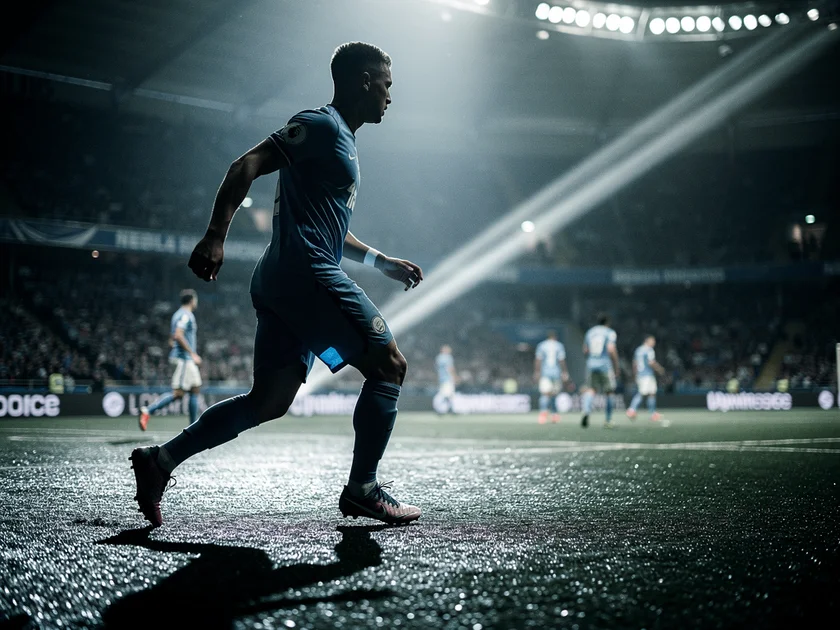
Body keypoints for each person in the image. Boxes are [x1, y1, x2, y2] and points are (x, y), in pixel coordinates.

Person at [130, 42, 424, 528]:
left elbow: (331, 227)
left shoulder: (343, 141)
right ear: (365, 81)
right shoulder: (323, 125)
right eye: (387, 85)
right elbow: (245, 164)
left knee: (268, 401)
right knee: (389, 366)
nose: (391, 97)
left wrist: (379, 259)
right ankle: (363, 489)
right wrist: (214, 236)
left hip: (283, 280)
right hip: (306, 274)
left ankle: (159, 461)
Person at [138, 289, 202, 431]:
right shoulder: (186, 315)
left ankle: (193, 426)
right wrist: (192, 354)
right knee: (178, 394)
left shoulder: (177, 315)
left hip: (182, 358)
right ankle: (148, 410)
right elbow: (178, 335)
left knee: (195, 389)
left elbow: (172, 339)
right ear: (192, 300)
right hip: (184, 360)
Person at [580, 314, 619, 428]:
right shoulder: (609, 332)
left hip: (591, 364)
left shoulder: (590, 332)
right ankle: (608, 420)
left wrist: (590, 360)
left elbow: (585, 350)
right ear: (607, 322)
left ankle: (586, 411)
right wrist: (616, 366)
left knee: (591, 390)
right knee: (609, 392)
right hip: (605, 365)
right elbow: (611, 349)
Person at [626, 336, 665, 422]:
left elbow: (634, 363)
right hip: (647, 375)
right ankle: (631, 410)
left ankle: (653, 414)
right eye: (653, 341)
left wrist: (635, 375)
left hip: (640, 375)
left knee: (651, 393)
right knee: (642, 393)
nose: (654, 343)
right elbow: (651, 362)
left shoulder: (638, 350)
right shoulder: (649, 350)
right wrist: (659, 369)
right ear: (647, 341)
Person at [533, 330, 568, 424]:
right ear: (555, 337)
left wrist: (537, 372)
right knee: (554, 394)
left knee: (545, 394)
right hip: (556, 373)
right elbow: (561, 360)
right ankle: (554, 415)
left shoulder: (542, 345)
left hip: (545, 373)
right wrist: (565, 372)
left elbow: (538, 360)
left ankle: (543, 414)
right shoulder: (559, 345)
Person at [435, 345, 457, 414]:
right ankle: (439, 409)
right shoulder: (448, 357)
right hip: (448, 379)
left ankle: (451, 409)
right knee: (446, 394)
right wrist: (455, 376)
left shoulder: (438, 358)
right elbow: (450, 368)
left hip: (441, 378)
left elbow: (437, 369)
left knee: (449, 394)